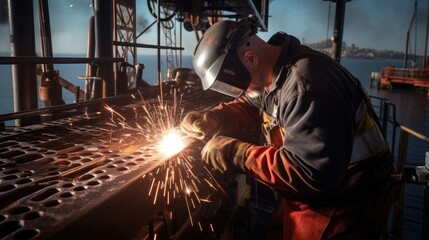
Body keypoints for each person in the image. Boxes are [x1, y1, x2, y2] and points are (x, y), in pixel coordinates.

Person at [180, 18, 395, 239]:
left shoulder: (308, 85)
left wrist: (237, 154)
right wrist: (216, 117)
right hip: (311, 195)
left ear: (250, 58)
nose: (237, 92)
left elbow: (310, 173)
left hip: (344, 204)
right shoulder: (274, 72)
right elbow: (256, 102)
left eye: (232, 84)